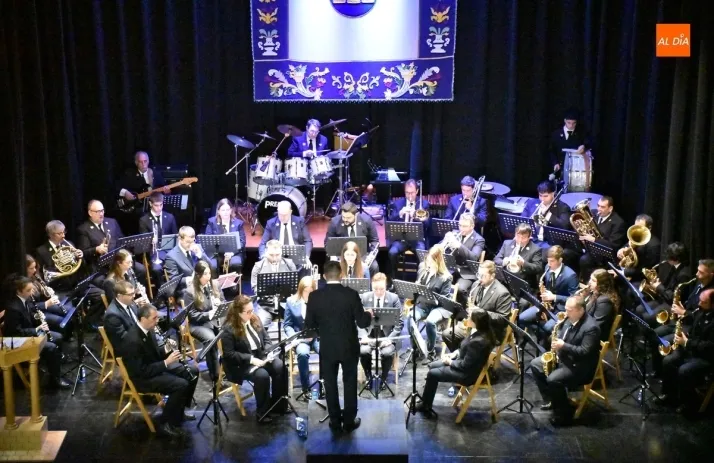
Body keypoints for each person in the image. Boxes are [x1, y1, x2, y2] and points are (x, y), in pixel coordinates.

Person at [305, 261, 373, 433]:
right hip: (349, 346)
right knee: (350, 382)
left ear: (324, 276)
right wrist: (369, 314)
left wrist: (323, 330)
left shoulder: (314, 297)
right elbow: (362, 322)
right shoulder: (351, 294)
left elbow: (309, 325)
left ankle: (335, 422)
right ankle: (349, 421)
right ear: (341, 275)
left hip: (327, 347)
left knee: (330, 384)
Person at [118, 304, 198, 438]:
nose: (157, 321)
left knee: (193, 370)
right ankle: (167, 423)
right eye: (154, 318)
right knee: (181, 384)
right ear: (143, 319)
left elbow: (154, 353)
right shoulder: (132, 340)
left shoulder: (148, 329)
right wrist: (166, 362)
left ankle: (179, 412)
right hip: (142, 379)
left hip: (154, 368)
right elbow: (141, 371)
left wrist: (166, 349)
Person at [530, 295, 601, 426]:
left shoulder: (591, 327)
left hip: (579, 366)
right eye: (566, 309)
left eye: (569, 310)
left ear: (580, 310)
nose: (565, 312)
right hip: (564, 357)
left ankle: (563, 414)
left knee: (553, 379)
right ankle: (552, 400)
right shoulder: (569, 319)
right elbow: (562, 336)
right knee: (535, 364)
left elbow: (584, 351)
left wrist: (563, 346)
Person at [415, 308, 497, 419]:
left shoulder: (479, 341)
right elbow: (464, 348)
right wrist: (454, 354)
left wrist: (450, 362)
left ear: (476, 322)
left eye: (470, 317)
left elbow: (465, 366)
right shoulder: (477, 331)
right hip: (463, 364)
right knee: (432, 365)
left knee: (432, 374)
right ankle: (426, 400)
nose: (467, 318)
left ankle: (426, 405)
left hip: (467, 374)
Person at [221, 294, 286, 424]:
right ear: (238, 312)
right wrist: (251, 359)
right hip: (242, 363)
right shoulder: (228, 328)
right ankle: (263, 412)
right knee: (262, 375)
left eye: (252, 310)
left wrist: (269, 352)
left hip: (261, 356)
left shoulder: (255, 318)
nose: (251, 314)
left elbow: (266, 339)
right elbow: (229, 354)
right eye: (248, 312)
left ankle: (278, 405)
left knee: (280, 366)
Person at [4, 277, 70, 388]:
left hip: (27, 335)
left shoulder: (25, 299)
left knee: (58, 337)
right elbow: (15, 333)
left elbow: (27, 316)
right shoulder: (13, 308)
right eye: (28, 290)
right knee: (51, 347)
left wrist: (37, 316)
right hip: (17, 342)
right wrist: (36, 329)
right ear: (19, 291)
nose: (31, 293)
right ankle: (55, 380)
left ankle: (54, 370)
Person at [656, 289, 714, 414]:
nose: (699, 304)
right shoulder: (701, 311)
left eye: (703, 302)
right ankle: (669, 395)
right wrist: (684, 336)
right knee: (669, 360)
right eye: (699, 300)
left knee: (684, 370)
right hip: (693, 348)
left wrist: (687, 342)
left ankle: (688, 404)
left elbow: (709, 347)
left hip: (707, 357)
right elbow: (694, 331)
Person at [442, 261, 511, 352]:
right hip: (473, 325)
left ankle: (467, 357)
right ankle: (462, 356)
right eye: (478, 275)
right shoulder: (476, 285)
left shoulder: (502, 293)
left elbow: (503, 319)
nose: (479, 278)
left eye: (483, 276)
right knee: (447, 334)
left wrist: (481, 313)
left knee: (471, 343)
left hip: (490, 331)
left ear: (492, 276)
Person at [519, 245, 579, 340]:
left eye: (552, 261)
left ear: (560, 260)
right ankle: (539, 334)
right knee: (522, 318)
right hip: (546, 305)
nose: (549, 264)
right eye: (548, 261)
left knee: (547, 328)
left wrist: (554, 297)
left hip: (561, 309)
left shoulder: (570, 275)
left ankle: (543, 338)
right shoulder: (547, 267)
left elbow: (575, 299)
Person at [406, 245, 454, 362]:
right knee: (410, 317)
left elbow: (444, 299)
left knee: (430, 321)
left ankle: (430, 351)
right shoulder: (423, 270)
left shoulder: (446, 277)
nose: (428, 263)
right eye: (427, 259)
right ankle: (416, 348)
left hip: (439, 307)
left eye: (431, 261)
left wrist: (432, 298)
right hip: (424, 305)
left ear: (437, 261)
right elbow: (419, 288)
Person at [182, 261, 225, 381]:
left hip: (215, 321)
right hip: (198, 324)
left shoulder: (215, 284)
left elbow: (224, 301)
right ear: (198, 275)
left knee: (230, 332)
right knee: (211, 339)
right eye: (205, 274)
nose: (208, 277)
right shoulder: (190, 292)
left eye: (209, 273)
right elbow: (192, 315)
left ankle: (225, 366)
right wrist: (209, 314)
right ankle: (215, 375)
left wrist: (220, 303)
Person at [358, 273, 403, 388]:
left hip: (387, 335)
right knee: (363, 351)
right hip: (369, 334)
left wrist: (390, 339)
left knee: (387, 353)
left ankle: (384, 378)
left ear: (386, 286)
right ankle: (368, 376)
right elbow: (357, 320)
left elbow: (399, 323)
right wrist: (363, 336)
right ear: (371, 286)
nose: (378, 292)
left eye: (382, 289)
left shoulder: (394, 298)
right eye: (375, 289)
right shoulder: (364, 297)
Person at [284, 276, 319, 399]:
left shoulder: (319, 301)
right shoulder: (291, 301)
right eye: (306, 291)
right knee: (303, 354)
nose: (308, 294)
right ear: (300, 290)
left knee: (327, 352)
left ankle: (326, 384)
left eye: (311, 291)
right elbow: (287, 325)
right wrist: (295, 338)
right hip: (301, 338)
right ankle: (305, 388)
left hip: (316, 336)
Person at [387, 179, 429, 281]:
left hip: (416, 239)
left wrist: (415, 216)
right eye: (407, 193)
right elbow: (390, 220)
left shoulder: (423, 204)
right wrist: (400, 214)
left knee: (422, 253)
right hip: (401, 238)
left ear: (417, 191)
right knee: (392, 252)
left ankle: (420, 280)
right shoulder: (398, 203)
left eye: (412, 193)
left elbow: (427, 225)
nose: (409, 195)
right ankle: (394, 278)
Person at [439, 212, 485, 306]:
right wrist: (444, 243)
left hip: (467, 272)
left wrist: (459, 246)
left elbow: (474, 257)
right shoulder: (455, 234)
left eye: (465, 226)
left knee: (460, 289)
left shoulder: (479, 240)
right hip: (451, 268)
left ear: (472, 226)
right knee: (437, 281)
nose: (461, 228)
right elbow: (438, 249)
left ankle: (460, 311)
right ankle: (441, 306)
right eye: (460, 225)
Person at [577, 196, 627, 281]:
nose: (599, 209)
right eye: (598, 205)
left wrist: (594, 240)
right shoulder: (594, 214)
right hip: (591, 249)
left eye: (602, 207)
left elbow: (613, 245)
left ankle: (590, 283)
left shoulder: (618, 223)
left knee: (585, 260)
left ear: (610, 208)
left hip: (606, 255)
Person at [250, 240, 298, 327]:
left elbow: (295, 286)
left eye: (277, 255)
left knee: (298, 322)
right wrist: (268, 296)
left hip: (285, 304)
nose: (275, 258)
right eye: (271, 255)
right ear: (266, 252)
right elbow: (255, 287)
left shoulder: (289, 264)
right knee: (260, 326)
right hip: (266, 306)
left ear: (281, 252)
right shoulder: (258, 266)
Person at [325, 201, 380, 277]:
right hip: (341, 256)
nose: (345, 220)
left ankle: (370, 284)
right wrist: (334, 257)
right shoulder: (334, 222)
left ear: (356, 215)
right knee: (332, 266)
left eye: (348, 218)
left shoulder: (366, 220)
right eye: (343, 217)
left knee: (374, 266)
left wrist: (369, 259)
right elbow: (328, 243)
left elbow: (375, 241)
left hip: (362, 255)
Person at [34, 220, 85, 293]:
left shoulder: (69, 244)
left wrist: (79, 257)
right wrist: (62, 262)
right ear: (51, 235)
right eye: (59, 233)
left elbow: (82, 266)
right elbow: (42, 272)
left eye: (64, 232)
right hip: (58, 289)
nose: (63, 235)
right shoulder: (41, 251)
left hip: (76, 285)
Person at [258, 200, 313, 266]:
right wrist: (263, 257)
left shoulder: (299, 221)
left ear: (290, 212)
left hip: (297, 255)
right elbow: (263, 243)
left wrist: (306, 257)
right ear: (278, 211)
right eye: (280, 214)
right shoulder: (271, 223)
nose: (283, 217)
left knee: (306, 268)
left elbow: (307, 241)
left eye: (285, 215)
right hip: (277, 256)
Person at [164, 226, 214, 297]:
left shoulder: (198, 248)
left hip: (203, 285)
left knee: (216, 286)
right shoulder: (171, 256)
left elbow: (210, 267)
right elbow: (174, 281)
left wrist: (200, 254)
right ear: (180, 239)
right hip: (186, 290)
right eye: (187, 242)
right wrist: (191, 279)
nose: (191, 244)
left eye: (193, 241)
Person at [138, 192, 178, 282]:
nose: (159, 208)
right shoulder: (144, 220)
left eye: (161, 205)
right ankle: (162, 288)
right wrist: (150, 240)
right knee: (156, 269)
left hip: (169, 250)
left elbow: (175, 235)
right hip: (154, 252)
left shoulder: (170, 217)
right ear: (150, 204)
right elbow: (143, 241)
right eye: (156, 205)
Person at [24, 254, 69, 333]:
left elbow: (41, 294)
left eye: (35, 267)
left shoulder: (34, 276)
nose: (35, 270)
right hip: (34, 314)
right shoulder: (23, 284)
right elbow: (28, 307)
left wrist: (46, 292)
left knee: (69, 311)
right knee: (62, 321)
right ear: (24, 269)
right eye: (31, 268)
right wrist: (46, 303)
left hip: (42, 307)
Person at [493, 223, 543, 289]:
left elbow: (538, 268)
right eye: (518, 236)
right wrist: (504, 262)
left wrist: (523, 263)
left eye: (523, 237)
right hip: (505, 280)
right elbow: (496, 259)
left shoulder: (536, 249)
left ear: (529, 236)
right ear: (515, 234)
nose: (520, 240)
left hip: (523, 283)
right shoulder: (507, 243)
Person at [204, 198, 246, 274]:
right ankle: (215, 281)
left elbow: (242, 242)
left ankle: (233, 281)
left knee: (235, 263)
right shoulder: (212, 222)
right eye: (223, 210)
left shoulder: (238, 223)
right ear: (218, 211)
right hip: (217, 253)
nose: (225, 212)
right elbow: (208, 240)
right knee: (212, 265)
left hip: (234, 252)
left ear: (231, 210)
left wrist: (232, 253)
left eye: (227, 210)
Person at [548, 107, 592, 178]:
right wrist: (555, 163)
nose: (571, 126)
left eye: (574, 123)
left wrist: (584, 146)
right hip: (560, 169)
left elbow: (589, 143)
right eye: (569, 123)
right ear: (565, 121)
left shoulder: (581, 133)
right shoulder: (556, 134)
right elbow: (551, 150)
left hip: (576, 171)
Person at [618, 213, 661, 282]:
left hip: (641, 279)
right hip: (629, 271)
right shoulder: (635, 237)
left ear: (649, 228)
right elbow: (627, 245)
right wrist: (621, 250)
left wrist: (625, 272)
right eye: (635, 226)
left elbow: (647, 269)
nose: (637, 230)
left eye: (640, 227)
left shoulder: (654, 245)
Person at [103, 280, 141, 349]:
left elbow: (138, 318)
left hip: (138, 339)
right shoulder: (112, 316)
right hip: (130, 349)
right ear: (120, 296)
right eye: (130, 294)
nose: (134, 296)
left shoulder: (130, 302)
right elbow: (124, 339)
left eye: (134, 293)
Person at [584, 269, 618, 342]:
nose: (589, 282)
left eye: (593, 280)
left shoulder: (605, 302)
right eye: (590, 278)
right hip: (587, 328)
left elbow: (595, 325)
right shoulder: (595, 293)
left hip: (594, 337)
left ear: (601, 284)